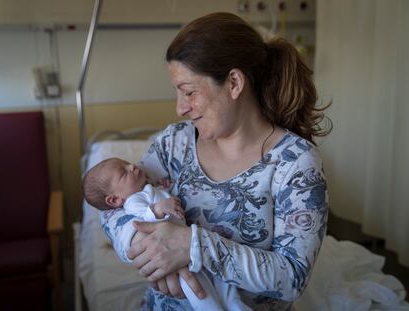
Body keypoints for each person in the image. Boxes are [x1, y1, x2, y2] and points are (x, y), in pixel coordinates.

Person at [101, 12, 331, 310]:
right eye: (178, 93)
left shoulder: (295, 164)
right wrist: (146, 249)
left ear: (234, 83)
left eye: (189, 92)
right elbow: (112, 208)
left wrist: (191, 246)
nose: (180, 108)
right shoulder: (175, 143)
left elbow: (292, 278)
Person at [83, 157, 250, 311]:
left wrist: (165, 186)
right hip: (173, 259)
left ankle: (236, 305)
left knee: (223, 284)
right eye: (123, 172)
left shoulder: (148, 187)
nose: (132, 166)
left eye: (127, 163)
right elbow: (142, 217)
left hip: (189, 246)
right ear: (114, 200)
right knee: (200, 292)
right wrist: (158, 209)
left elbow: (161, 193)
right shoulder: (133, 201)